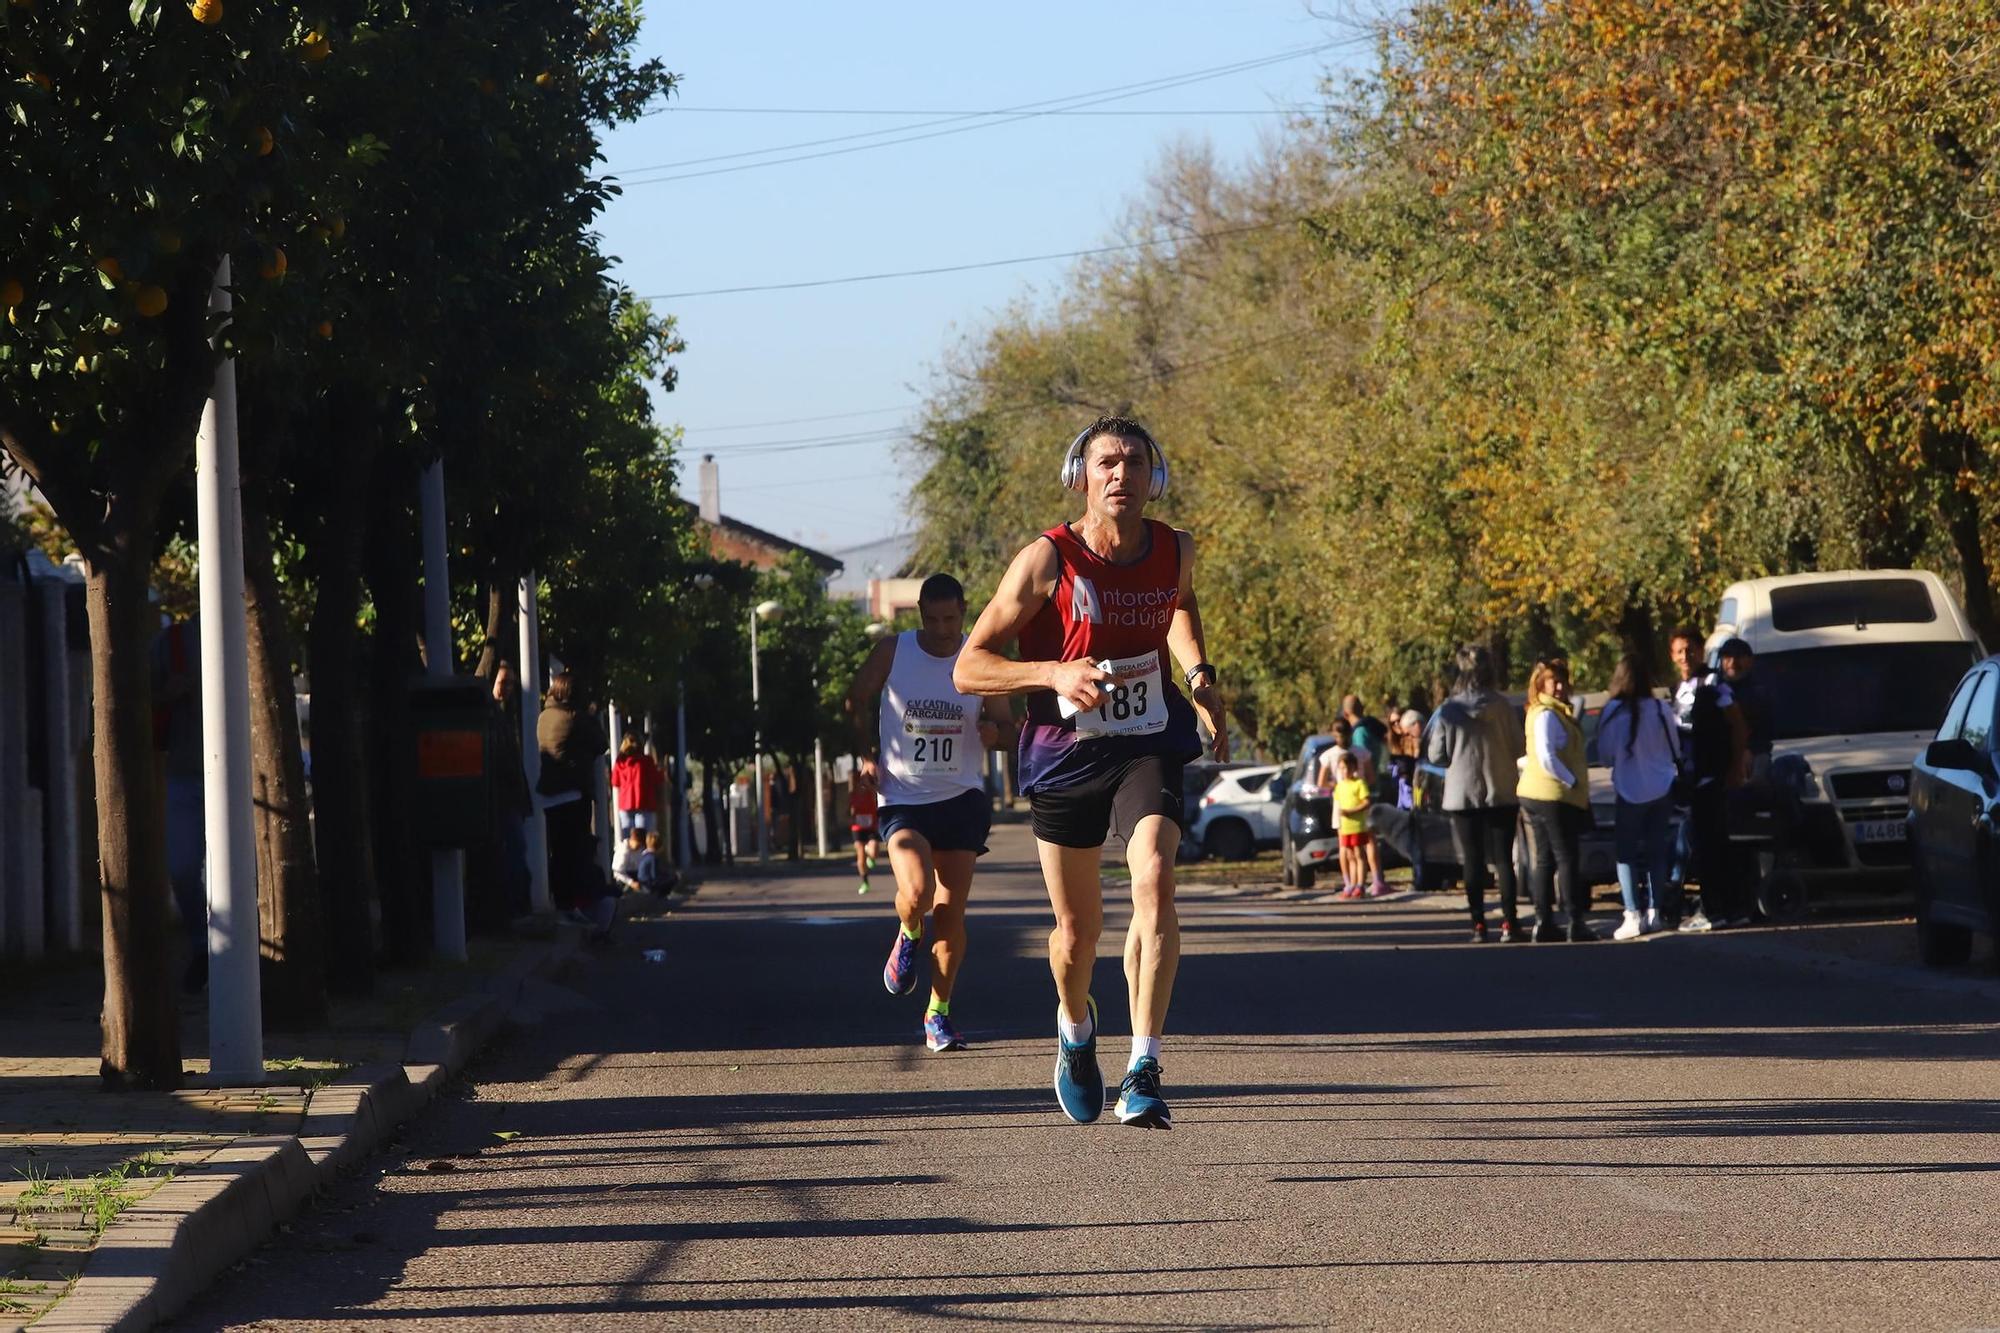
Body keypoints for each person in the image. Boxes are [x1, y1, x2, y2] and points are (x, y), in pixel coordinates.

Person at [955, 415, 1228, 1129]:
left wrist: (1197, 672)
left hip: (1147, 737)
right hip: (1065, 750)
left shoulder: (1174, 549)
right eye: (1108, 461)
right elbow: (970, 664)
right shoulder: (1048, 559)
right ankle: (1076, 1030)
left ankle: (1143, 1066)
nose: (1122, 474)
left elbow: (1179, 604)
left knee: (1156, 878)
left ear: (1153, 476)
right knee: (1078, 933)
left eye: (1136, 462)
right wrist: (1051, 670)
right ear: (1082, 474)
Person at [846, 573, 1015, 1053]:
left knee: (951, 914)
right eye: (933, 619)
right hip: (903, 797)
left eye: (951, 618)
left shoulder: (982, 659)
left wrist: (993, 736)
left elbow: (1007, 729)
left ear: (964, 612)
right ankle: (907, 928)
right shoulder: (892, 652)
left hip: (961, 798)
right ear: (920, 613)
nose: (943, 629)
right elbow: (855, 700)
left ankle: (937, 1014)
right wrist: (865, 756)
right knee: (916, 892)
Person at [1426, 644, 1526, 942]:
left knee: (1472, 859)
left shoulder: (1449, 710)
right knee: (1504, 859)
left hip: (1462, 792)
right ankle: (1510, 923)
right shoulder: (1503, 706)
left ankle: (1479, 924)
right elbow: (1519, 746)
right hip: (1500, 790)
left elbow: (1436, 756)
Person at [1596, 653, 1681, 938]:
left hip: (1629, 789)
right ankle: (1655, 911)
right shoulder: (1659, 708)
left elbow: (1605, 756)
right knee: (1657, 852)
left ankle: (1632, 913)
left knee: (1626, 854)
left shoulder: (1612, 712)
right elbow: (1675, 749)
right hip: (1661, 787)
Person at [1670, 629, 1749, 931]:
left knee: (1711, 846)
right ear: (1672, 656)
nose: (1685, 656)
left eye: (1690, 649)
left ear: (1701, 651)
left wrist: (1734, 767)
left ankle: (1715, 910)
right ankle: (1727, 907)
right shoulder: (1677, 687)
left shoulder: (1715, 684)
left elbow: (1738, 725)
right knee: (1705, 845)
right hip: (1690, 778)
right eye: (1679, 651)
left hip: (1711, 777)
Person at [1517, 656, 1596, 942]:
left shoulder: (1549, 711)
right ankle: (1574, 921)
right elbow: (1547, 756)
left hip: (1535, 793)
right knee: (1566, 858)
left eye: (1563, 680)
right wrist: (1572, 781)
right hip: (1551, 794)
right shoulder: (1546, 714)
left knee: (1545, 859)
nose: (1560, 686)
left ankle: (1544, 922)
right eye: (1554, 681)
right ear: (1540, 683)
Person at [150, 617, 206, 992]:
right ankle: (204, 947)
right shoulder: (173, 641)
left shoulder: (251, 624)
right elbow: (136, 696)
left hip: (245, 775)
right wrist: (170, 693)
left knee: (239, 873)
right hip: (186, 771)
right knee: (182, 867)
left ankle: (241, 953)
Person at [537, 670, 614, 937]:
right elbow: (601, 743)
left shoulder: (544, 715)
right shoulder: (574, 718)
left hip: (550, 793)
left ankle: (563, 903)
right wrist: (591, 715)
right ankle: (572, 905)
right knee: (573, 852)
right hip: (571, 792)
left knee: (559, 852)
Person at [1331, 751, 1386, 898]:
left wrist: (1351, 811)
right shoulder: (1340, 786)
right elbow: (1338, 804)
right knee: (1349, 856)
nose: (1345, 771)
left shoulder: (1359, 783)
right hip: (1345, 827)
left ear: (1355, 768)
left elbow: (1366, 802)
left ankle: (1360, 884)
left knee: (1358, 854)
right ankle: (1351, 884)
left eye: (1348, 768)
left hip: (1358, 826)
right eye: (1342, 768)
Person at [612, 734, 664, 839]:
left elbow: (615, 782)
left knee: (627, 841)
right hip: (644, 804)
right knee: (644, 840)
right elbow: (657, 779)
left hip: (625, 805)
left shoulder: (620, 762)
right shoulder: (646, 761)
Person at [849, 783, 880, 895]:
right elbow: (850, 810)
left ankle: (870, 855)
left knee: (874, 850)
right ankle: (865, 882)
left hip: (871, 826)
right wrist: (851, 818)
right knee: (860, 857)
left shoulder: (873, 793)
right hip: (858, 828)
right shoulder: (853, 795)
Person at [613, 828, 644, 893]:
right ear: (632, 839)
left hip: (636, 876)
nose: (639, 847)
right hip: (623, 880)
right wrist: (631, 882)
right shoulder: (623, 850)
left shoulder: (640, 849)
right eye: (638, 844)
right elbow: (617, 872)